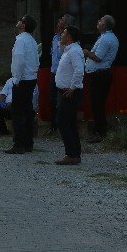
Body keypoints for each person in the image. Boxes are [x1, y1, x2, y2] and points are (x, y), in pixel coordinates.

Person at [5, 14, 39, 154]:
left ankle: (19, 143)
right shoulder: (31, 40)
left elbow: (19, 61)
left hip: (23, 79)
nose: (18, 22)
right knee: (27, 110)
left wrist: (16, 79)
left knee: (18, 112)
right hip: (31, 78)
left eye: (21, 20)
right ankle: (28, 142)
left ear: (23, 25)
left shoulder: (20, 40)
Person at [83, 14, 119, 143]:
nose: (98, 22)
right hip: (100, 74)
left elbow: (98, 57)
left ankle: (100, 133)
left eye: (100, 20)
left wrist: (86, 52)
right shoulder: (107, 37)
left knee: (97, 104)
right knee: (97, 104)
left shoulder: (105, 39)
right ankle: (100, 131)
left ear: (104, 25)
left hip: (99, 74)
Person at [54, 25, 85, 165]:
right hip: (64, 91)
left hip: (69, 93)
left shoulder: (74, 51)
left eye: (64, 33)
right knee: (70, 123)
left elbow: (79, 70)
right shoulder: (69, 49)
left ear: (70, 36)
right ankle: (74, 154)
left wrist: (73, 87)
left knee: (63, 122)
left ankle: (71, 154)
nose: (62, 34)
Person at [44, 13, 76, 136]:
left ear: (67, 24)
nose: (58, 21)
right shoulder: (55, 38)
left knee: (62, 101)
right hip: (54, 73)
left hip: (64, 75)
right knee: (52, 100)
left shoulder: (70, 40)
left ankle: (64, 127)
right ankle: (53, 126)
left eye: (61, 20)